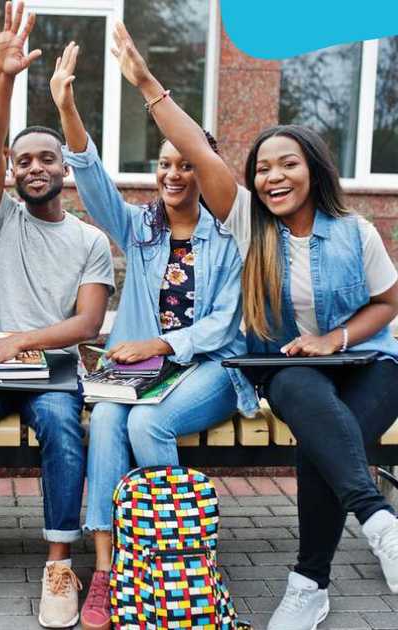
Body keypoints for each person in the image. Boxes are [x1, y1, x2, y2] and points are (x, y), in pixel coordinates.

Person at [108, 20, 398, 630]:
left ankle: (309, 583)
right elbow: (199, 151)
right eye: (262, 168)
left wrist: (334, 338)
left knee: (325, 445)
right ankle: (375, 524)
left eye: (286, 164)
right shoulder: (247, 225)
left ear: (313, 169)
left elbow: (387, 304)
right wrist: (146, 85)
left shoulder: (356, 233)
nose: (272, 178)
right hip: (294, 373)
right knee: (295, 388)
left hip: (370, 363)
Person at [48, 39, 257, 630]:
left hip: (212, 367)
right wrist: (67, 107)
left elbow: (225, 323)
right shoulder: (140, 228)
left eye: (186, 163)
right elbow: (91, 185)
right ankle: (109, 570)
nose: (172, 172)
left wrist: (163, 344)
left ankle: (174, 556)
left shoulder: (231, 233)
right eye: (164, 163)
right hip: (140, 372)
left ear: (206, 170)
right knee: (113, 418)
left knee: (146, 421)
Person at [0, 3, 114, 627]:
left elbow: (87, 325)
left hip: (50, 369)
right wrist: (4, 77)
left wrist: (19, 341)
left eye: (45, 159)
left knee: (64, 429)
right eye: (23, 160)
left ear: (64, 170)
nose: (33, 167)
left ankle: (60, 560)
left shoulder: (88, 240)